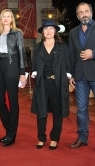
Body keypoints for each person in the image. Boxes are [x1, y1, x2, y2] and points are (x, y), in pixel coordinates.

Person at [31, 20, 71, 150]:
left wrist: (69, 76)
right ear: (42, 31)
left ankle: (54, 138)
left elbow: (68, 63)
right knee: (41, 111)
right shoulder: (37, 47)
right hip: (42, 83)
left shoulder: (62, 46)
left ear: (55, 31)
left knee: (57, 112)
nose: (48, 31)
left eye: (51, 28)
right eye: (46, 28)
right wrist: (34, 72)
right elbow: (34, 64)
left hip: (58, 83)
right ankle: (41, 138)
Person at [0, 9, 27, 147]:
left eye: (9, 16)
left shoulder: (17, 33)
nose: (6, 18)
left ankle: (11, 134)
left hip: (12, 65)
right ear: (1, 19)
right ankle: (10, 129)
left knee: (13, 101)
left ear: (12, 19)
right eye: (4, 16)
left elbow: (21, 52)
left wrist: (22, 73)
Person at [69, 2, 95, 149]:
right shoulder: (73, 32)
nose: (84, 14)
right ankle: (82, 137)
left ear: (91, 12)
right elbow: (72, 55)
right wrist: (71, 75)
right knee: (81, 110)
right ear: (77, 15)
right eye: (81, 12)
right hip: (80, 77)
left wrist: (93, 54)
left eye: (86, 11)